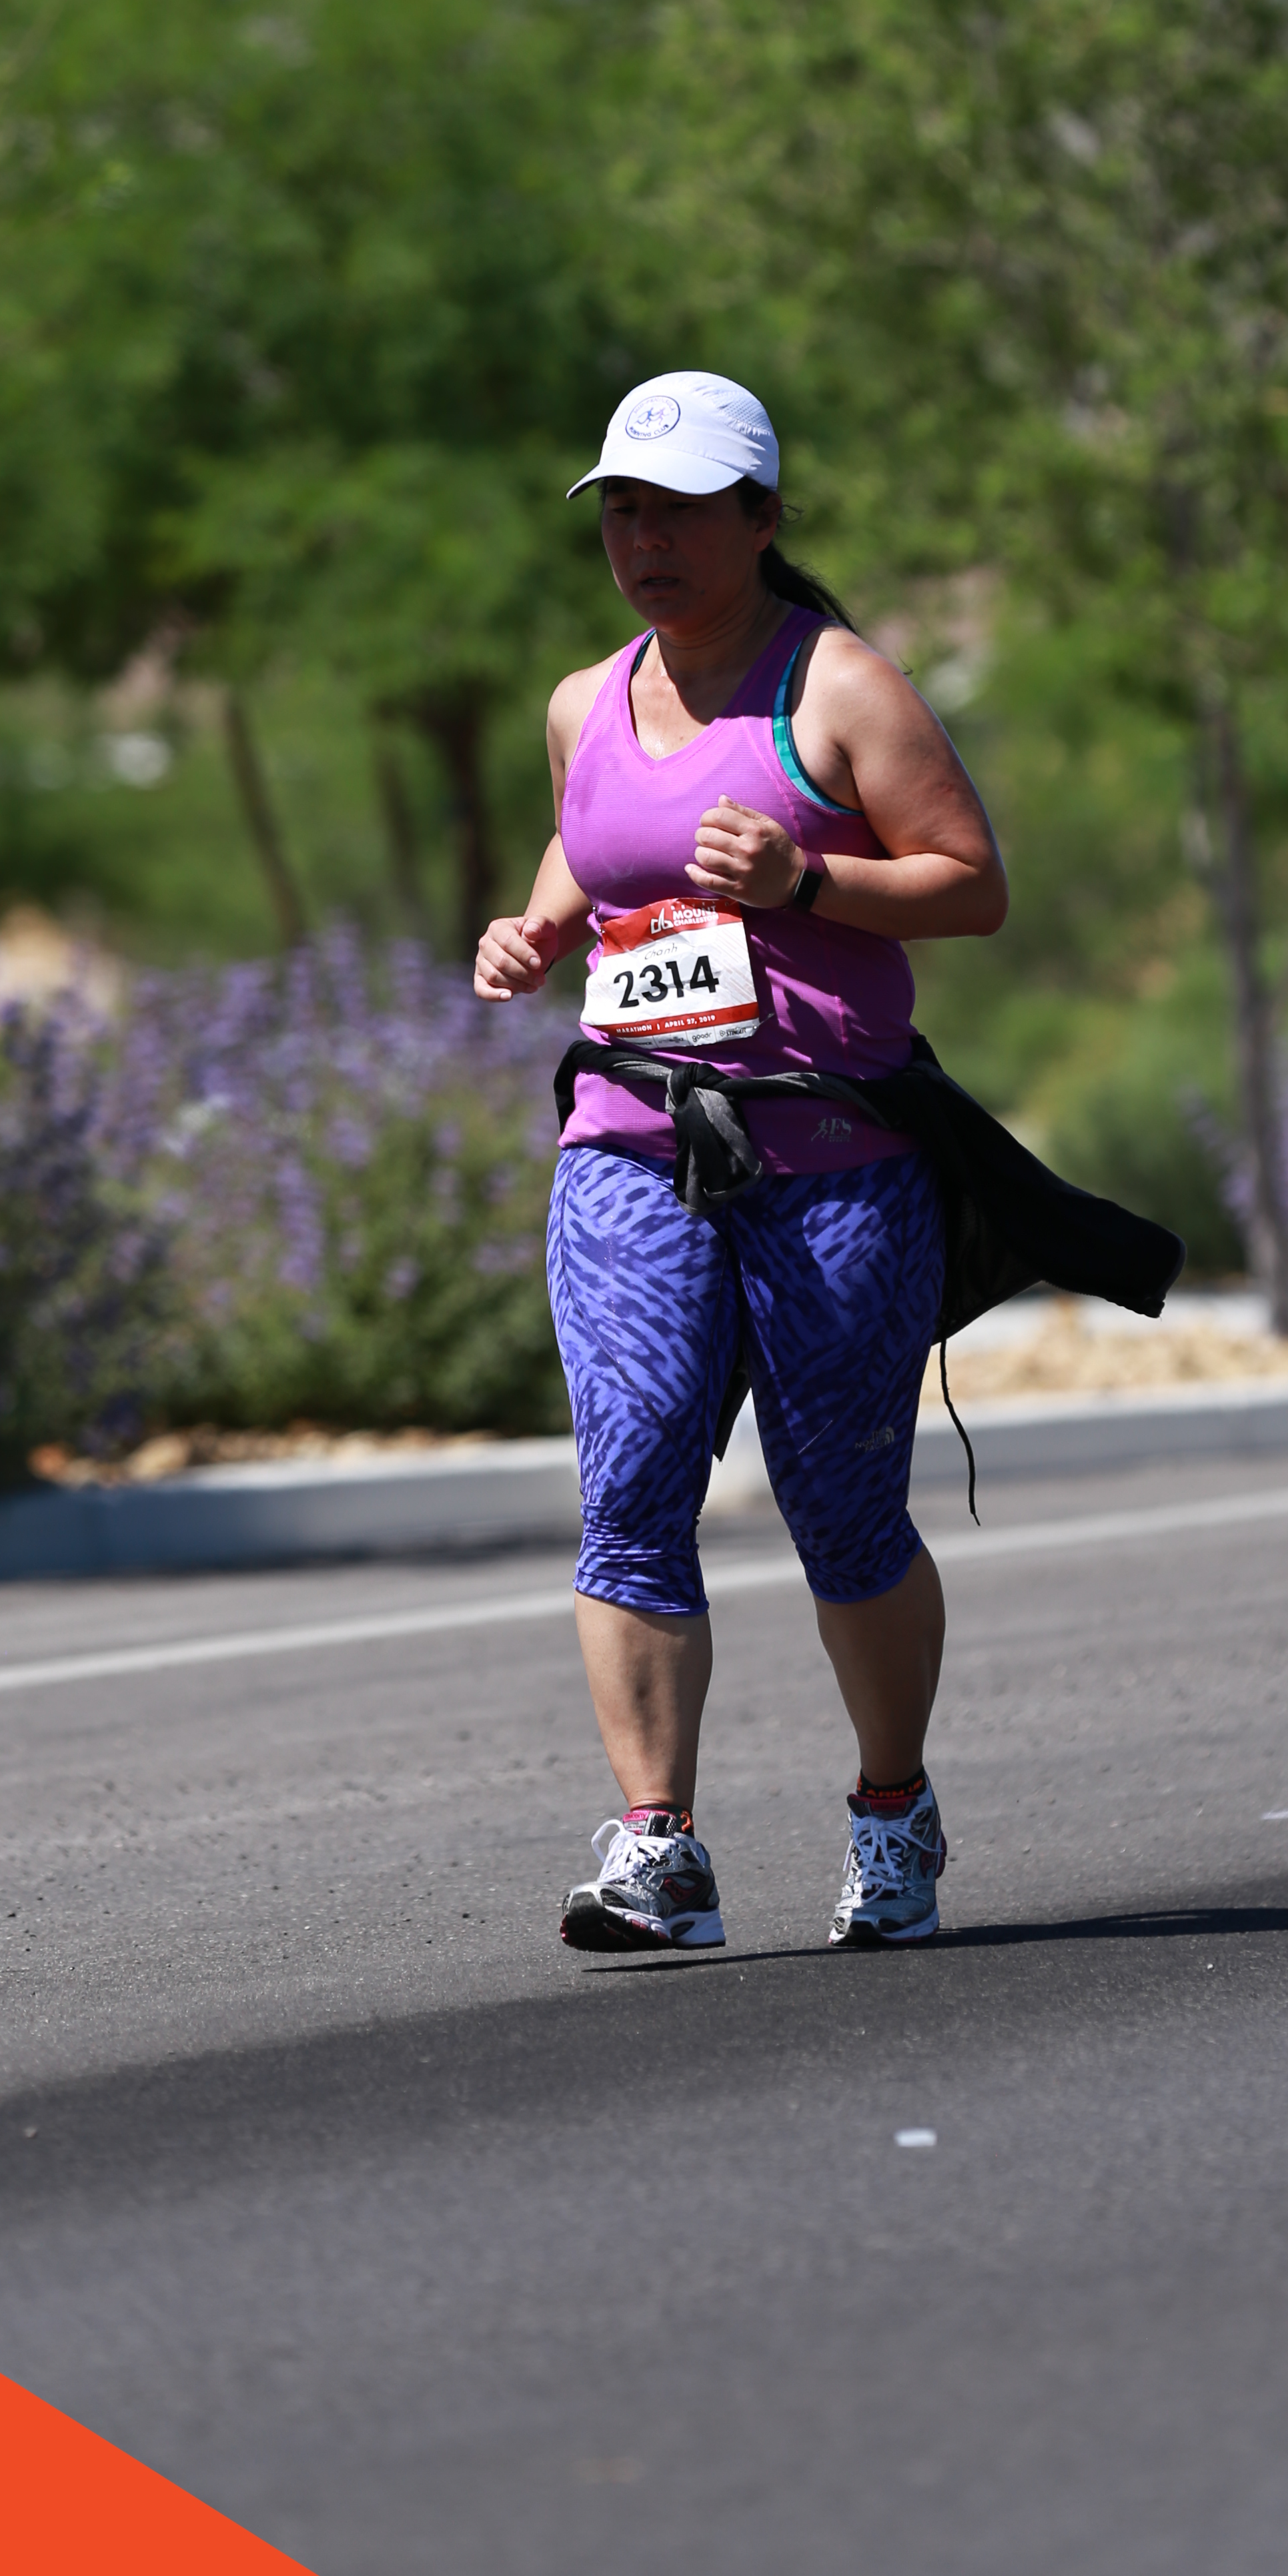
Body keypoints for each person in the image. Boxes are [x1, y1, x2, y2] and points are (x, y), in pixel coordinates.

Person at [472, 367, 1010, 1954]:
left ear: (762, 519)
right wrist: (538, 927)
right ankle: (660, 1851)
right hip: (630, 1143)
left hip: (832, 1158)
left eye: (682, 513)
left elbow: (970, 883)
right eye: (623, 513)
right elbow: (592, 840)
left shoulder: (837, 688)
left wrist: (808, 880)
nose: (645, 542)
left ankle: (893, 1811)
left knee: (842, 1510)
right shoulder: (584, 699)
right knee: (631, 1481)